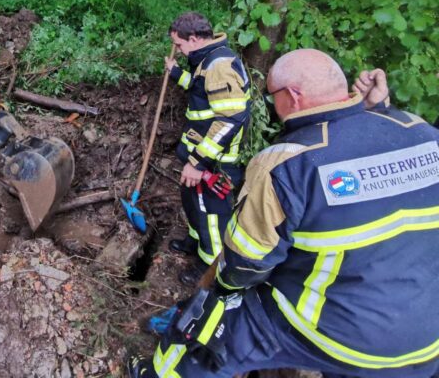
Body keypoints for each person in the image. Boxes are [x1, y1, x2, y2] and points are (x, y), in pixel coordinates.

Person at [128, 49, 439, 378]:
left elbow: (244, 264)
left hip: (337, 331)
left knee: (205, 331)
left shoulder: (289, 162)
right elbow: (378, 153)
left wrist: (212, 295)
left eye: (270, 96)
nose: (271, 105)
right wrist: (379, 110)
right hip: (426, 340)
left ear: (293, 95)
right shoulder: (423, 134)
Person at [164, 13, 251, 266]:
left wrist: (199, 163)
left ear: (193, 39)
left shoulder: (219, 66)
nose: (178, 50)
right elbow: (200, 89)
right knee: (194, 206)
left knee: (210, 216)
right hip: (198, 156)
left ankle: (208, 267)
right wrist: (176, 72)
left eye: (179, 45)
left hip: (214, 163)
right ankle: (194, 243)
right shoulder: (207, 60)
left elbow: (231, 119)